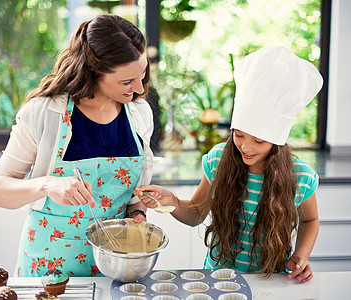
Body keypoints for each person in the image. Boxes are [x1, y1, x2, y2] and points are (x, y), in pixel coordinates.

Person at [135, 46, 323, 282]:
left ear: (277, 141)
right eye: (239, 135)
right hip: (218, 278)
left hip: (272, 279)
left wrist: (301, 255)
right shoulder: (218, 160)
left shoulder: (301, 177)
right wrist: (172, 201)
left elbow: (310, 220)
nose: (246, 147)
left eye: (259, 140)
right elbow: (195, 214)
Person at [0, 14, 154, 277]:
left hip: (115, 267)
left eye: (142, 75)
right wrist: (47, 184)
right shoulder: (45, 112)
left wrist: (138, 215)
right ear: (95, 72)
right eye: (126, 82)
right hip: (50, 268)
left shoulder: (139, 115)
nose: (139, 88)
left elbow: (133, 199)